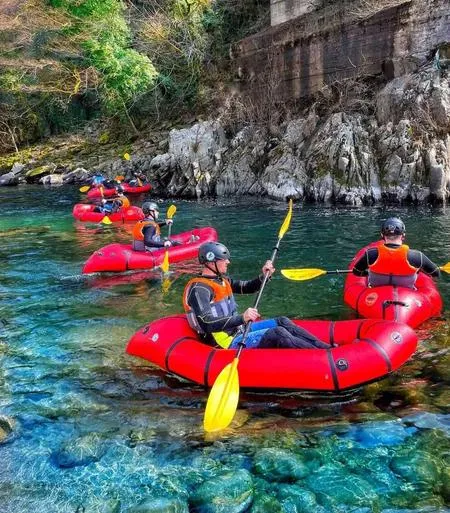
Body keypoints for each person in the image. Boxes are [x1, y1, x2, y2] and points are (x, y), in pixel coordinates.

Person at [182, 242, 330, 350]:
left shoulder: (221, 280)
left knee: (282, 321)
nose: (228, 262)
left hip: (239, 330)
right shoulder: (199, 289)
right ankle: (320, 356)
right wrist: (242, 318)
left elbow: (248, 287)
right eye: (223, 259)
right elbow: (206, 323)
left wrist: (264, 276)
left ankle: (325, 348)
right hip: (225, 343)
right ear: (210, 262)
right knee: (278, 333)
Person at [352, 217, 440, 288]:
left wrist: (368, 272)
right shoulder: (417, 256)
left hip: (376, 292)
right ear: (403, 235)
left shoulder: (371, 254)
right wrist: (420, 271)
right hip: (407, 295)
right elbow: (436, 272)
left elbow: (356, 272)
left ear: (382, 235)